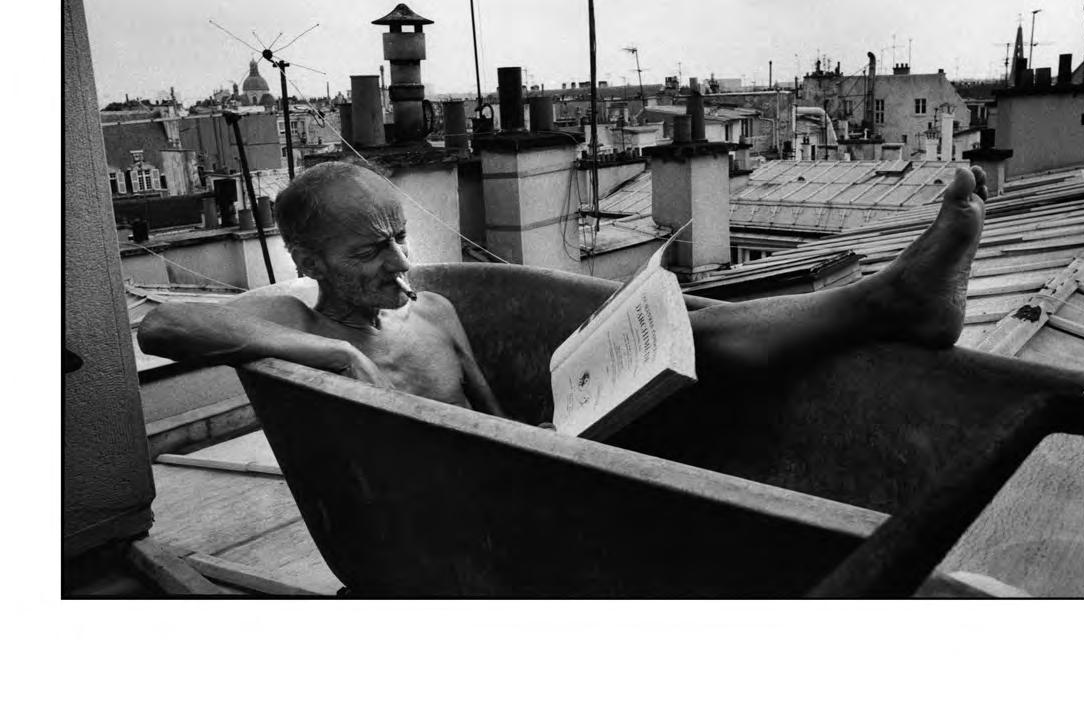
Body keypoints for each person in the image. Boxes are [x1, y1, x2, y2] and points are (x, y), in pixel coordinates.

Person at [139, 160, 989, 417]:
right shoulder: (296, 315)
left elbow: (494, 416)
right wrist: (328, 351)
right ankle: (890, 302)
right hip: (441, 501)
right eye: (370, 251)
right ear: (307, 259)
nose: (400, 264)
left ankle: (888, 302)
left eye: (401, 237)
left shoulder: (434, 307)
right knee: (699, 351)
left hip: (519, 459)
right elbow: (165, 326)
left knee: (681, 330)